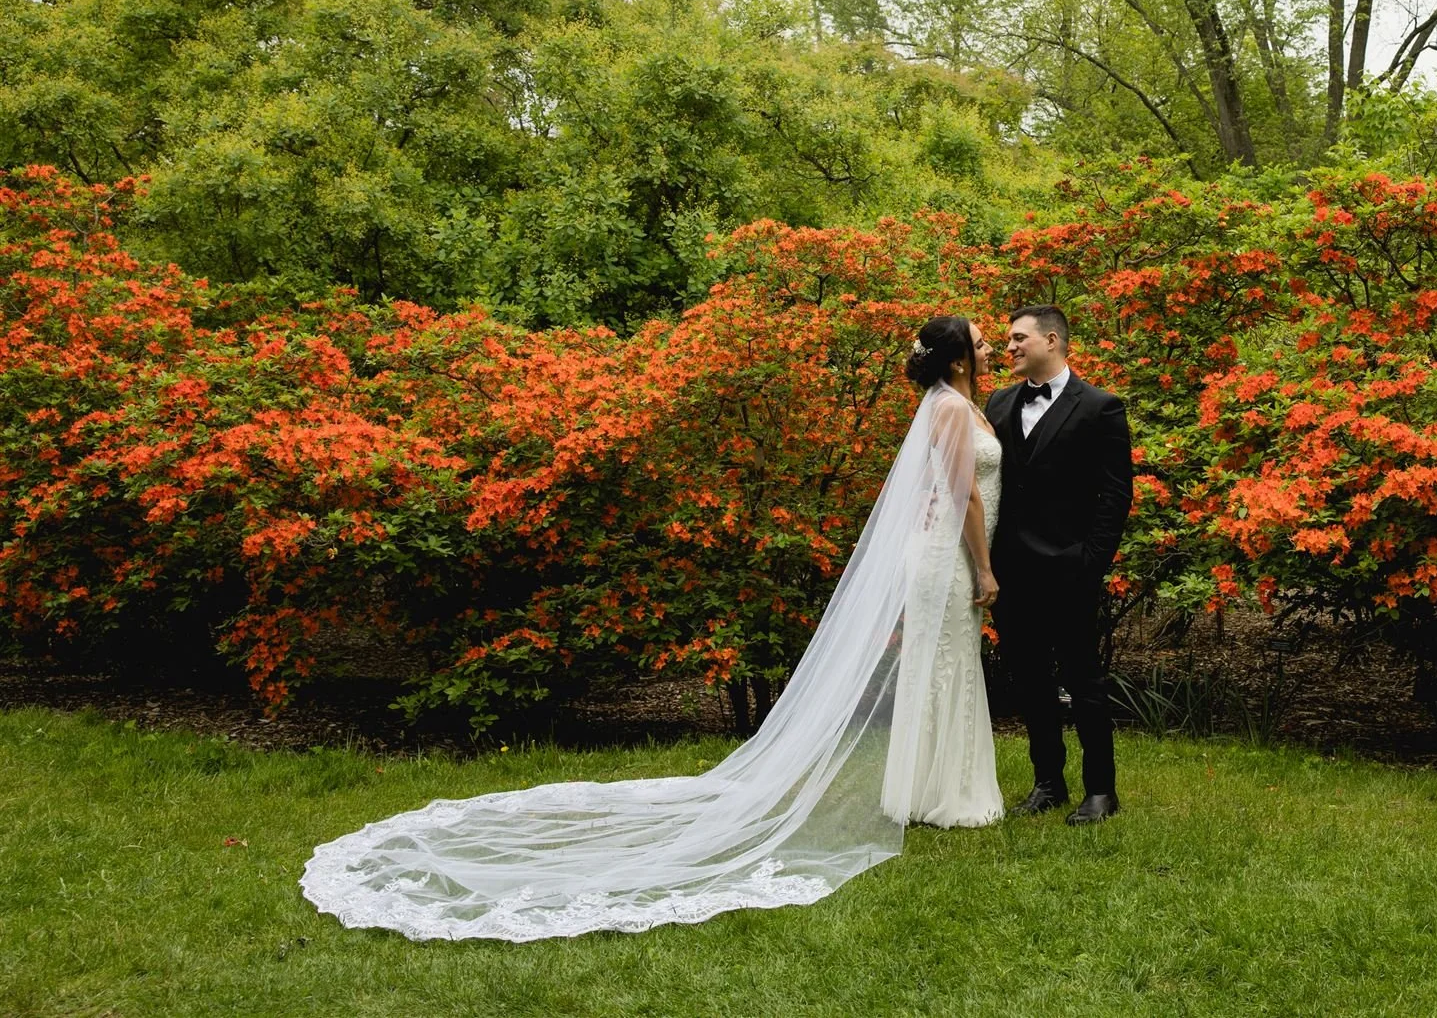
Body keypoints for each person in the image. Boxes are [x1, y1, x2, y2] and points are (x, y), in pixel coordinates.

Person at [300, 317, 1005, 942]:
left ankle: (926, 787)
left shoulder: (954, 403)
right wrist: (984, 566)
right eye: (974, 336)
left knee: (945, 667)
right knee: (942, 667)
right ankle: (939, 793)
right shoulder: (949, 409)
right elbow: (962, 492)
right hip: (950, 556)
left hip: (943, 551)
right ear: (954, 359)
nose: (985, 340)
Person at [985, 305, 1135, 825]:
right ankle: (1047, 782)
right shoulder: (999, 403)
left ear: (1052, 340)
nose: (1009, 348)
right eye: (1006, 339)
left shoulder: (1100, 407)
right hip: (1011, 570)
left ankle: (1100, 791)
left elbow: (1115, 495)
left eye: (1018, 338)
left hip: (1071, 568)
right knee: (1030, 681)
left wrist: (1090, 562)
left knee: (1084, 680)